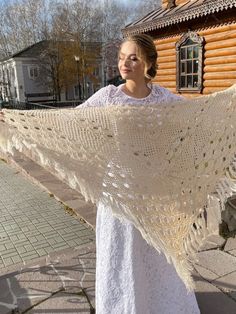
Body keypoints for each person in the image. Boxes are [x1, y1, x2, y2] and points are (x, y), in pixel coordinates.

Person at [79, 34, 200, 314]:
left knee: (157, 253)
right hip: (118, 192)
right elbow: (71, 121)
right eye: (122, 57)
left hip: (154, 192)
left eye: (133, 57)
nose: (125, 63)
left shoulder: (163, 98)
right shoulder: (108, 97)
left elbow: (197, 114)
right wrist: (16, 119)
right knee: (121, 254)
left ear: (148, 63)